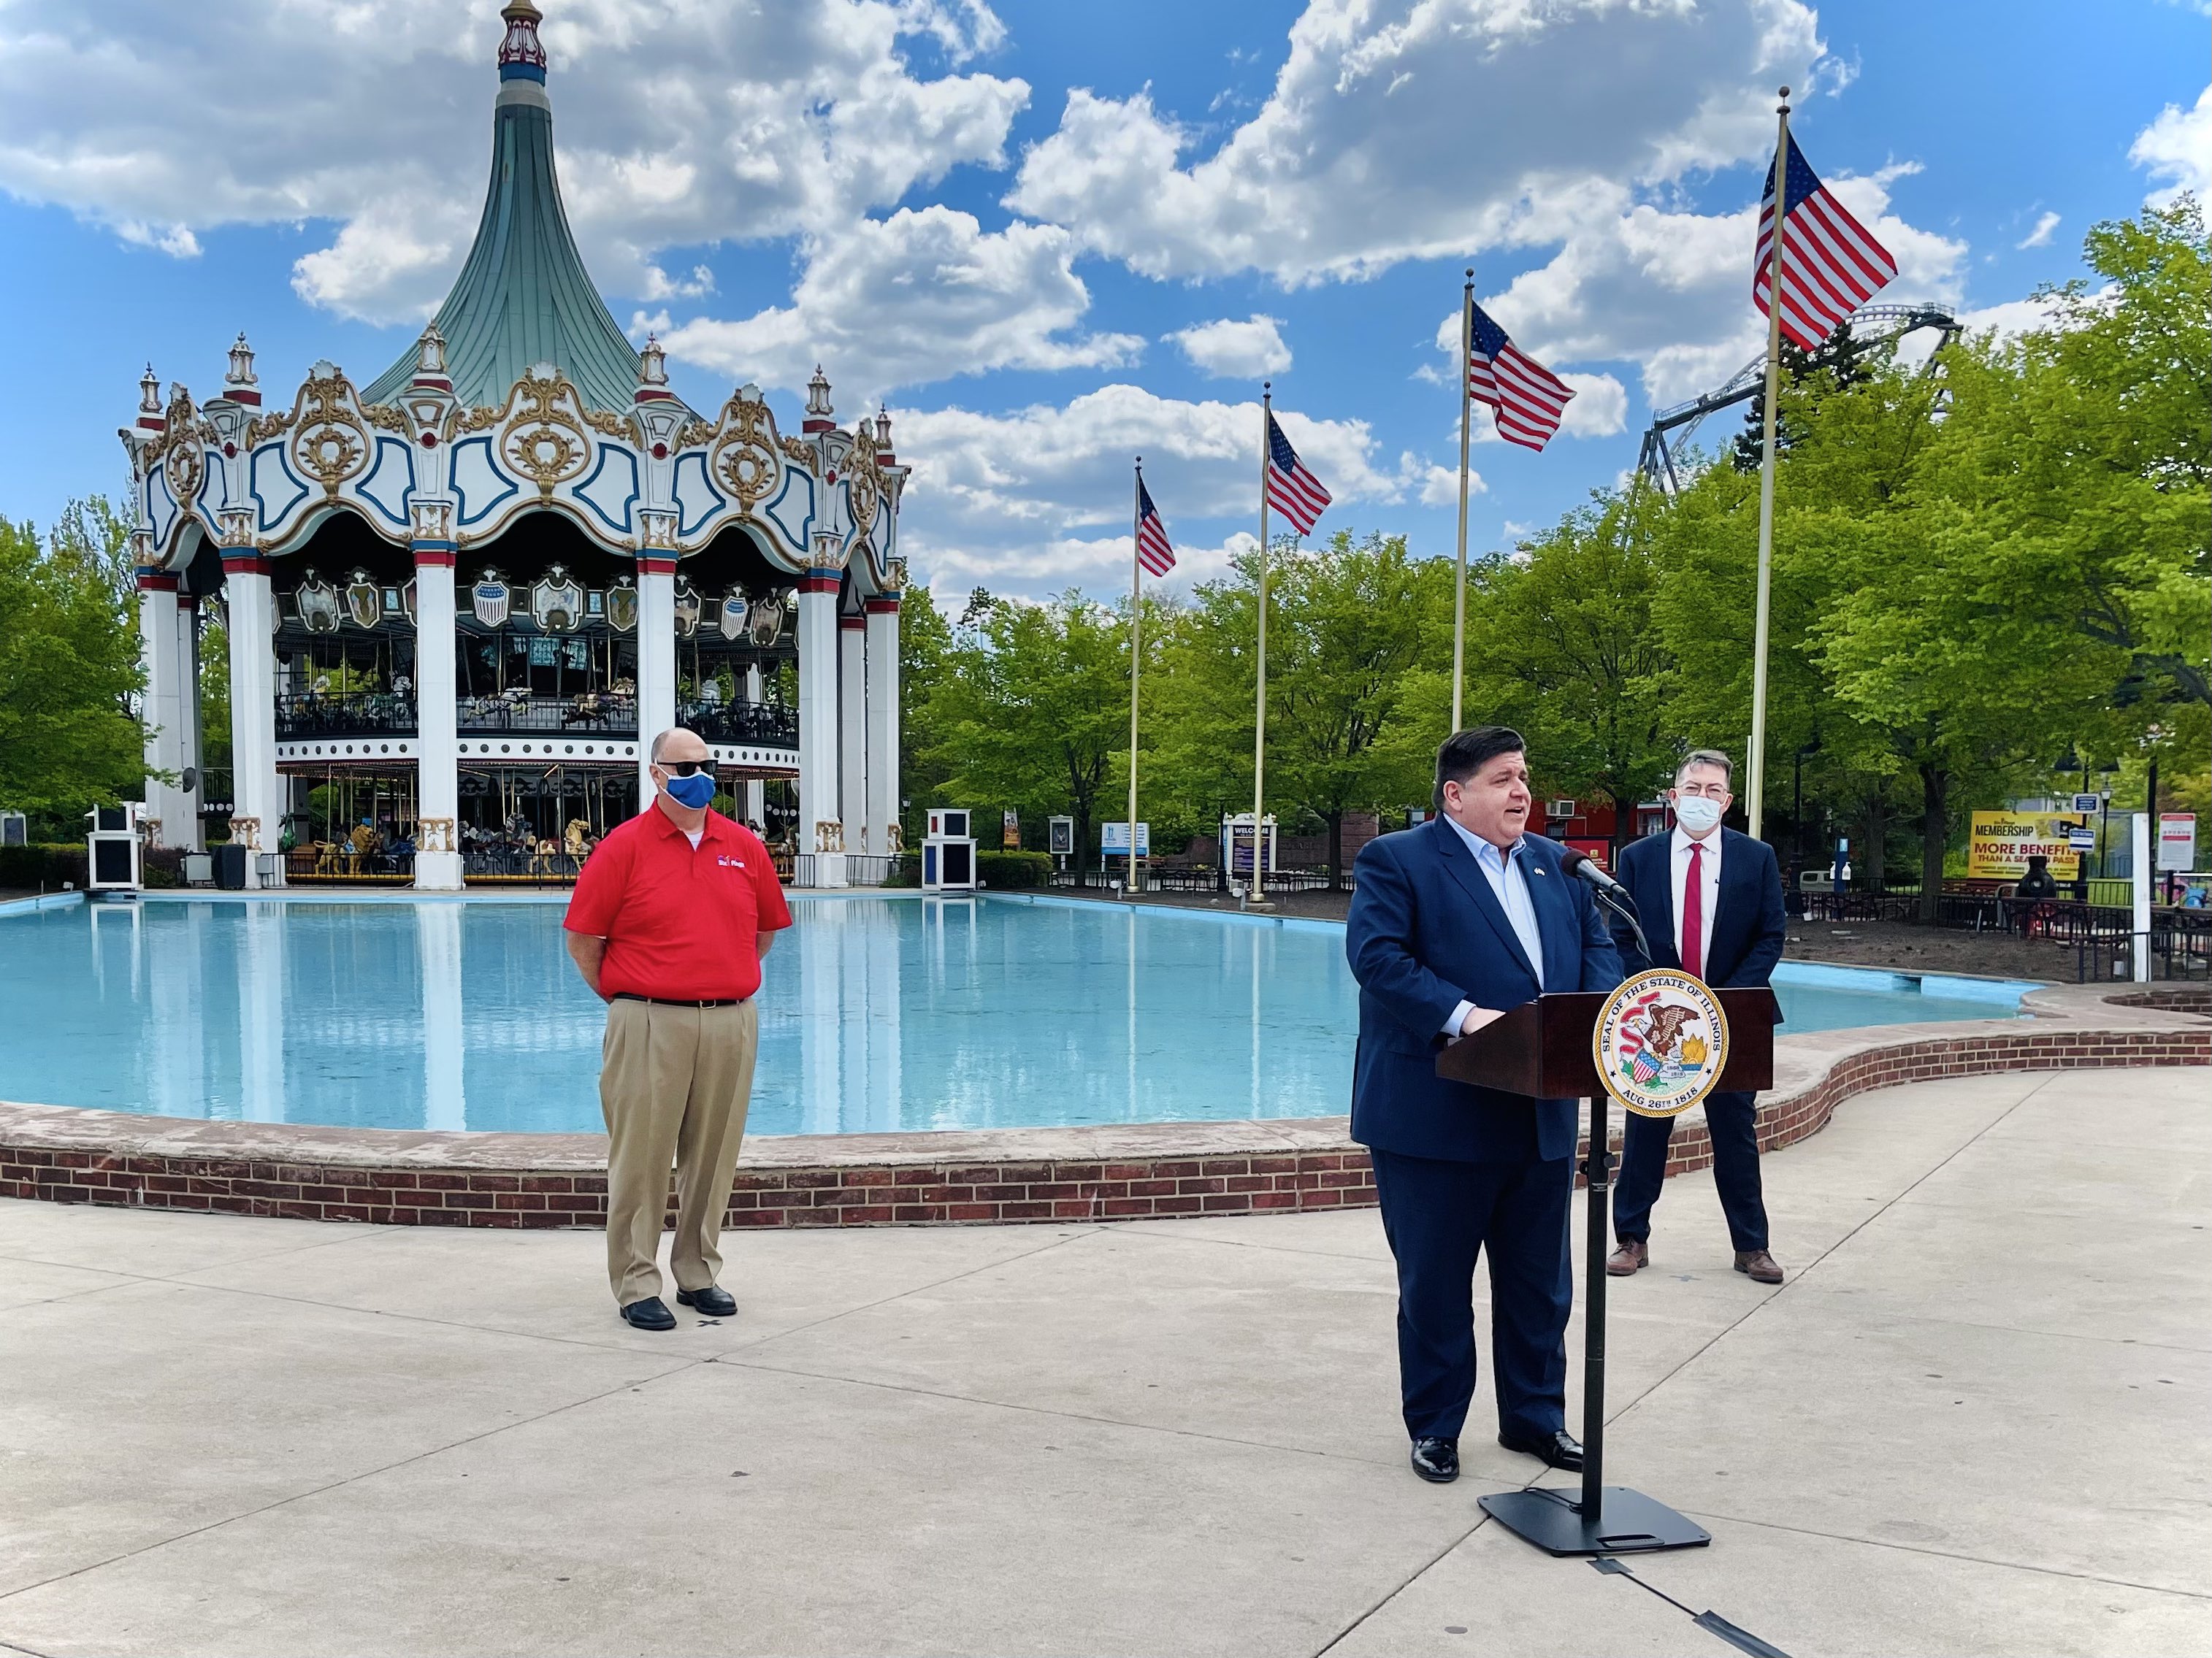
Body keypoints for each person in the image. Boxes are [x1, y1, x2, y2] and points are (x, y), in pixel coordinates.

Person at [1346, 726, 1625, 1486]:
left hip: (1537, 1113)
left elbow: (1597, 953)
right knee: (1435, 1286)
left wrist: (1589, 1016)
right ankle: (1435, 1427)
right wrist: (1469, 1017)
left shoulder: (1558, 867)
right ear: (1454, 794)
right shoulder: (1396, 859)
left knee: (1539, 1284)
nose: (1521, 792)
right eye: (1503, 778)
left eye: (1524, 777)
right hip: (1433, 1113)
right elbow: (1376, 960)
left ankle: (1534, 1420)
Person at [563, 728, 792, 1329]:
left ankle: (697, 1271)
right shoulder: (623, 847)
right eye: (685, 765)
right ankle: (637, 1280)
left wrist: (718, 978)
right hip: (646, 1018)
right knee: (640, 1156)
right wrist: (632, 997)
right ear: (657, 774)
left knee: (713, 1156)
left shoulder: (744, 846)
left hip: (729, 1019)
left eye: (707, 763)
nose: (700, 773)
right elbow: (583, 939)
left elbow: (763, 932)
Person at [1605, 749, 1789, 1286]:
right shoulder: (1639, 858)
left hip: (1732, 1018)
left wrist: (1719, 1001)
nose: (1701, 798)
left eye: (1713, 790)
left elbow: (1769, 935)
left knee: (1735, 1133)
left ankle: (1751, 1245)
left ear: (1727, 801)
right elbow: (1621, 933)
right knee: (1645, 1129)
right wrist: (1662, 994)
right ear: (1672, 795)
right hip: (1658, 1022)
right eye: (1692, 787)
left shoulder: (1755, 858)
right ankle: (1630, 1238)